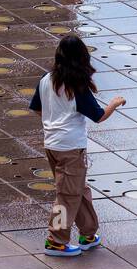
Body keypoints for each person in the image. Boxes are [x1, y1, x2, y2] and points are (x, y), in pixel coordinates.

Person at [29, 34, 125, 256]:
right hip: (71, 147)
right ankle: (56, 240)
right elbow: (98, 116)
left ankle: (88, 233)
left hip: (52, 145)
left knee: (77, 190)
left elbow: (36, 108)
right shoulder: (76, 85)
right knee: (67, 195)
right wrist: (115, 103)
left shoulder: (47, 79)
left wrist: (53, 121)